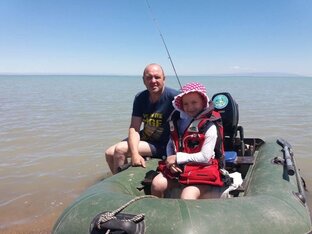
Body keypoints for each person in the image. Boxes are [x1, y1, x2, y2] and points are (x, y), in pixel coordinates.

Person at [151, 82, 224, 199]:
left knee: (187, 195)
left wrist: (177, 158)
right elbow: (171, 145)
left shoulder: (209, 126)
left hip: (202, 169)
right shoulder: (178, 122)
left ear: (203, 102)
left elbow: (205, 157)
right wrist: (171, 162)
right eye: (186, 104)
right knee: (157, 184)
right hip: (179, 168)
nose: (190, 107)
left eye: (194, 102)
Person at [105, 63, 179, 174]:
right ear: (143, 80)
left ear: (164, 79)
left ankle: (124, 183)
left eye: (157, 77)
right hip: (146, 138)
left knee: (120, 150)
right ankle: (118, 179)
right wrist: (135, 154)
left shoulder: (175, 97)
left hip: (163, 144)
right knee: (109, 153)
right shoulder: (140, 97)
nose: (153, 81)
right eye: (149, 77)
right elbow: (134, 128)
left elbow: (195, 108)